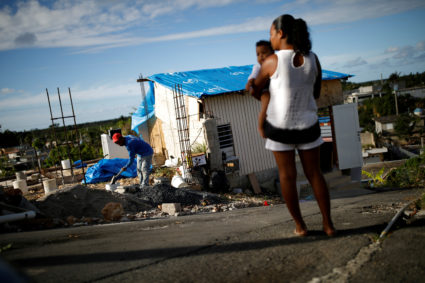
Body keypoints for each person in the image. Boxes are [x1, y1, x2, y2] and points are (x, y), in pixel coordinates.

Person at [251, 14, 336, 237]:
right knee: (315, 174)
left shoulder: (273, 61)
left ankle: (301, 226)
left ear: (281, 34)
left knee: (287, 176)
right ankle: (328, 225)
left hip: (280, 129)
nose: (270, 39)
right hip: (308, 126)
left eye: (271, 34)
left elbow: (256, 90)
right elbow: (316, 93)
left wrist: (253, 86)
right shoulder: (314, 58)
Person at [245, 40, 274, 138]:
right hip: (265, 90)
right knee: (265, 106)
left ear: (272, 53)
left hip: (275, 89)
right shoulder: (258, 67)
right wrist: (250, 81)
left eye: (264, 53)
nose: (261, 56)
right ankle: (261, 127)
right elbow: (253, 75)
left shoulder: (276, 63)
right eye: (258, 54)